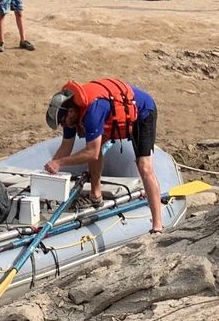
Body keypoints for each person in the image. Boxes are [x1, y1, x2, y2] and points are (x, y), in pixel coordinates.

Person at [44, 79, 165, 232]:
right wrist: (48, 174)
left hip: (142, 112)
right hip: (111, 116)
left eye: (63, 121)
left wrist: (59, 163)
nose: (64, 125)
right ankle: (96, 194)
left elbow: (91, 153)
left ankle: (157, 225)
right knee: (96, 147)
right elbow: (65, 148)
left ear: (71, 112)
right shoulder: (69, 116)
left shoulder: (93, 111)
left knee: (144, 166)